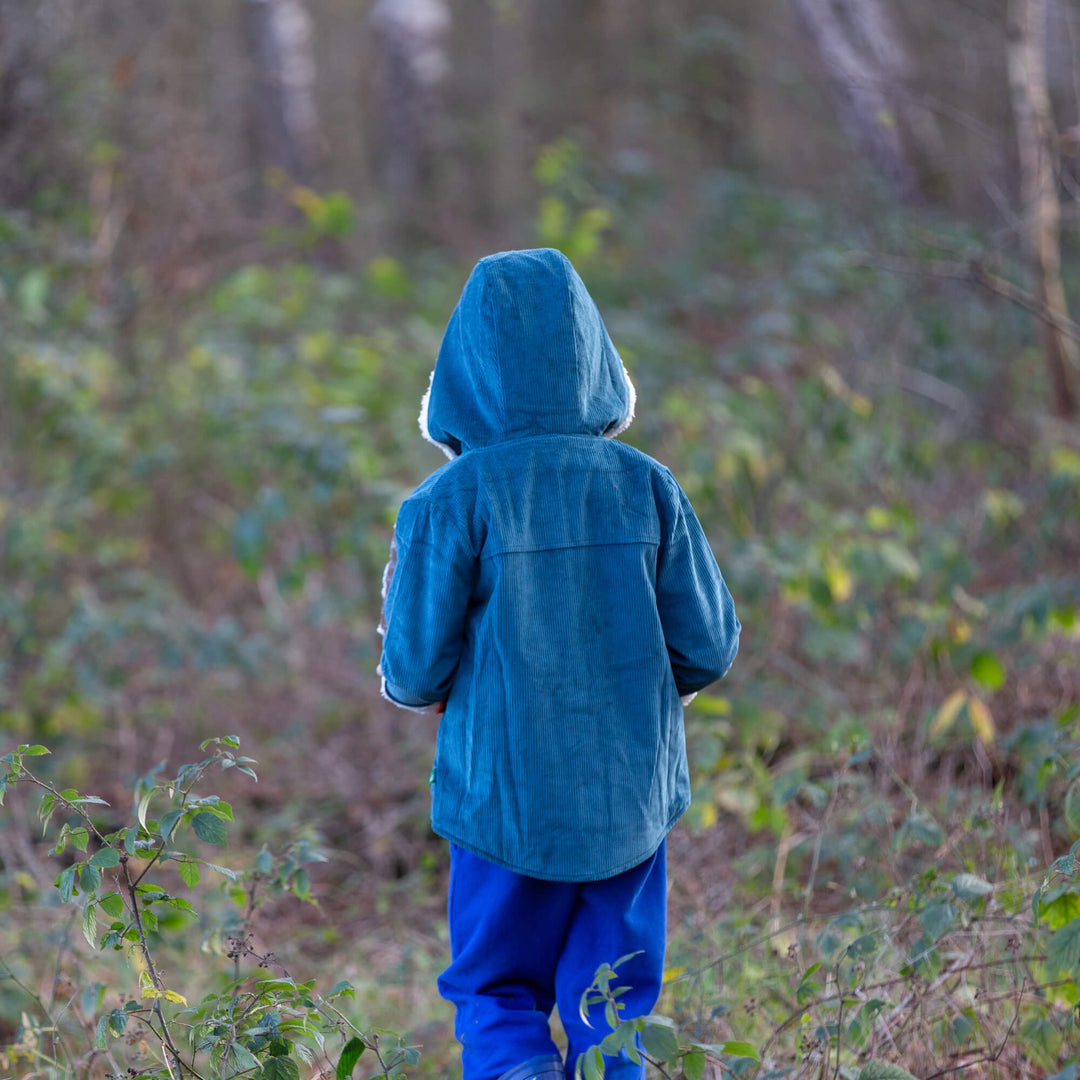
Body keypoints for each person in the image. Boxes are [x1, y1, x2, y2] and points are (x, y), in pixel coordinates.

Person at [378, 248, 740, 1080]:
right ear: (593, 358)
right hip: (629, 804)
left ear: (464, 370)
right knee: (614, 1010)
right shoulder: (647, 486)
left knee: (497, 993)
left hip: (500, 805)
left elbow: (413, 673)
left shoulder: (450, 500)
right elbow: (710, 646)